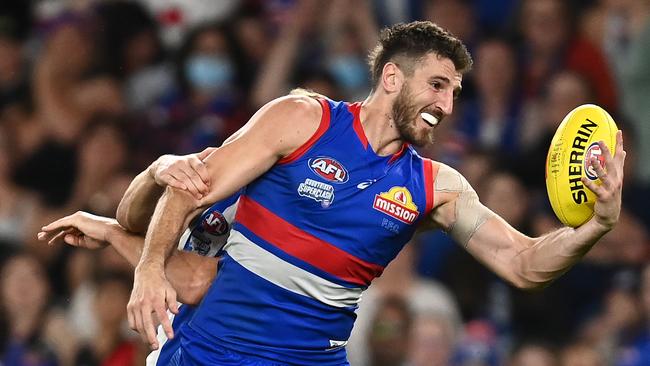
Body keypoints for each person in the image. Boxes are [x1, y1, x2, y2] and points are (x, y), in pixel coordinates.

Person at [127, 21, 626, 365]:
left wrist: (597, 225)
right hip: (210, 353)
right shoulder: (303, 119)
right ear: (391, 77)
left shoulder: (435, 187)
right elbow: (192, 186)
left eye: (454, 92)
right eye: (436, 85)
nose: (447, 105)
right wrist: (149, 268)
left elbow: (524, 264)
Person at [37, 149, 240, 366]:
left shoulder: (272, 208)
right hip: (183, 351)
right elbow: (128, 218)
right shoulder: (233, 161)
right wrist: (158, 169)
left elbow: (200, 282)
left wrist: (111, 232)